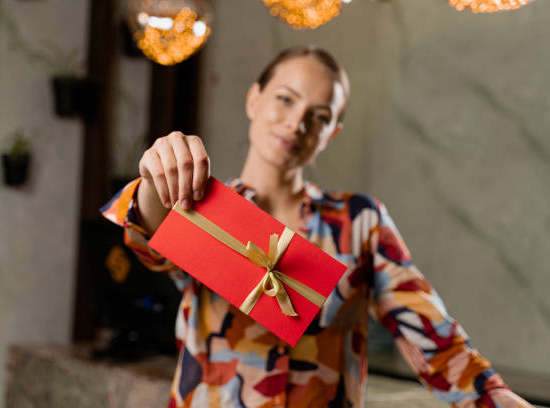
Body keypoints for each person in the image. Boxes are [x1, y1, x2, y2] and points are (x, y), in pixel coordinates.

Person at [101, 46, 532, 407]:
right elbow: (150, 241)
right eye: (285, 99)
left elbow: (434, 340)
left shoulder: (360, 222)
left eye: (320, 115)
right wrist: (158, 176)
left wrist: (502, 399)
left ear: (332, 132)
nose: (297, 122)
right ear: (254, 99)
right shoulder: (206, 209)